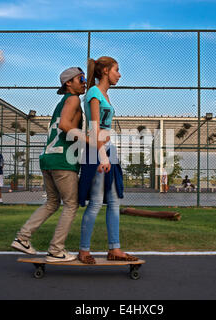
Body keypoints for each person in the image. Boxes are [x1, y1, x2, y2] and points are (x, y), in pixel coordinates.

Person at [11, 67, 86, 262]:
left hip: (48, 159)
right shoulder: (73, 99)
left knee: (52, 203)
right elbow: (65, 126)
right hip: (62, 160)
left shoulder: (62, 102)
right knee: (71, 204)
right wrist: (90, 139)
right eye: (81, 78)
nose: (84, 81)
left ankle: (22, 238)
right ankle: (56, 249)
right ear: (68, 83)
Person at [78, 56, 139, 264]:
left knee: (114, 201)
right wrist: (102, 155)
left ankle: (115, 249)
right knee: (95, 202)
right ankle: (84, 251)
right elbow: (94, 128)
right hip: (97, 150)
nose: (119, 74)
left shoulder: (105, 94)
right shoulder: (94, 93)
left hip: (107, 149)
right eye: (117, 70)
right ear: (105, 71)